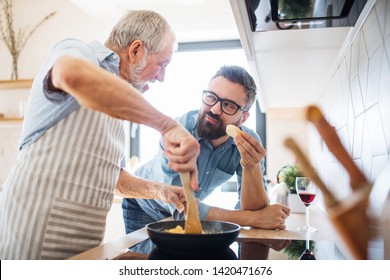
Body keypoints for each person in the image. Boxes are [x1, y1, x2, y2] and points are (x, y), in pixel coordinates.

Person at [0, 10, 200, 260]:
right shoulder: (80, 52)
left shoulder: (120, 102)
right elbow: (71, 74)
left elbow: (111, 176)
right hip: (33, 231)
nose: (161, 77)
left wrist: (160, 191)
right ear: (136, 50)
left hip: (86, 242)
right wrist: (167, 126)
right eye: (162, 65)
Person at [122, 65, 290, 233]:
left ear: (243, 118)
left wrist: (251, 166)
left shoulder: (248, 143)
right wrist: (252, 219)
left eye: (229, 105)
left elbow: (255, 210)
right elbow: (181, 208)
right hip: (144, 205)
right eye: (211, 97)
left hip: (193, 213)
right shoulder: (178, 132)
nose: (215, 109)